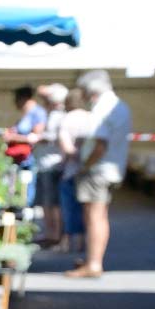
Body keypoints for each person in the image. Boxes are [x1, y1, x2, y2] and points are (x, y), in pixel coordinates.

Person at [66, 69, 132, 280]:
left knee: (94, 217)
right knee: (99, 216)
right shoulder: (121, 106)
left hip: (98, 170)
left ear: (90, 91)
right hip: (111, 169)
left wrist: (85, 165)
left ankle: (93, 263)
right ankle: (92, 260)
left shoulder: (101, 109)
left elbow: (100, 146)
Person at [55, 87, 97, 258]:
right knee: (87, 210)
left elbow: (66, 147)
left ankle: (67, 242)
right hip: (89, 170)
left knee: (68, 208)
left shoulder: (67, 119)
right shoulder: (92, 117)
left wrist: (71, 157)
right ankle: (84, 243)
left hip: (71, 171)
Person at [31, 84, 68, 246]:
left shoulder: (58, 116)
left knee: (52, 203)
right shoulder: (54, 114)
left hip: (52, 164)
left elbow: (53, 137)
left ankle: (54, 234)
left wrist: (35, 138)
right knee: (48, 203)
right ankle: (51, 233)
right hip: (47, 163)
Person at [4, 85, 46, 168]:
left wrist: (13, 137)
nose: (15, 102)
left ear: (24, 98)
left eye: (16, 99)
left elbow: (36, 137)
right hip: (21, 160)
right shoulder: (26, 115)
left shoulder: (38, 113)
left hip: (32, 160)